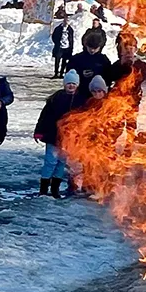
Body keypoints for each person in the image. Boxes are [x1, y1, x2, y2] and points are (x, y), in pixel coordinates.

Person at [33, 70, 87, 198]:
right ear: (64, 84)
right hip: (53, 136)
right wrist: (39, 131)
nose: (71, 86)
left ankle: (55, 189)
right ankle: (44, 188)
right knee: (50, 162)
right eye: (68, 83)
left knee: (61, 163)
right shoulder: (55, 98)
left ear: (77, 85)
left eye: (73, 83)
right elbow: (44, 116)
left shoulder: (80, 100)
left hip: (69, 138)